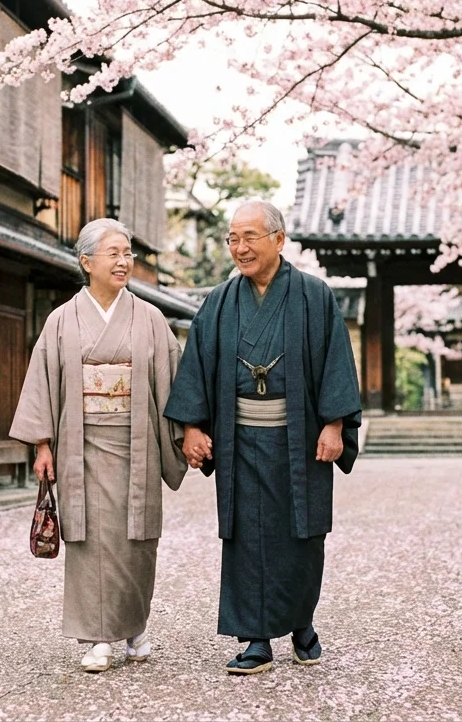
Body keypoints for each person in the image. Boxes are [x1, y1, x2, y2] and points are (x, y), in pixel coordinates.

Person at [164, 200, 361, 675]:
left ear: (279, 239)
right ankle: (254, 638)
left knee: (303, 533)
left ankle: (302, 624)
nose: (240, 247)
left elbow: (336, 362)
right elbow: (196, 369)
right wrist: (192, 426)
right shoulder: (219, 302)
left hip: (302, 440)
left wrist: (335, 424)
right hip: (239, 440)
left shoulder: (315, 297)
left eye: (250, 237)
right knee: (245, 537)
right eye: (233, 238)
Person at [10, 218, 188, 673]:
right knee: (88, 540)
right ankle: (97, 637)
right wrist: (42, 445)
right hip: (80, 445)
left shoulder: (149, 318)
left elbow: (176, 383)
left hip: (138, 443)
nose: (124, 260)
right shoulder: (61, 321)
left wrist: (189, 434)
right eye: (113, 252)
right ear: (86, 261)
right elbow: (42, 384)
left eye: (128, 252)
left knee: (137, 539)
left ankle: (136, 627)